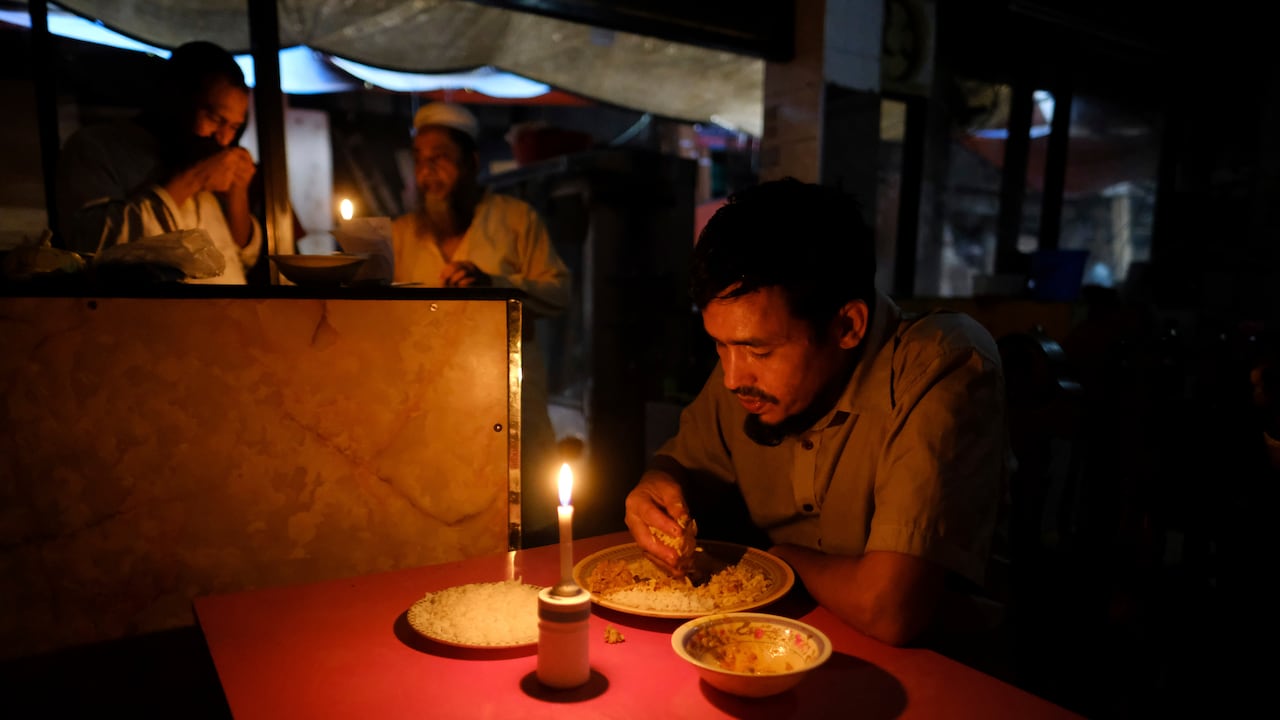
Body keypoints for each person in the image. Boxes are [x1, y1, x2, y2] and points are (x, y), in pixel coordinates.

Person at [625, 178, 1008, 647]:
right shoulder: (744, 374)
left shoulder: (940, 364)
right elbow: (681, 464)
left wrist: (781, 557)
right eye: (719, 345)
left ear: (847, 325)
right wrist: (656, 487)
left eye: (758, 351)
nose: (730, 376)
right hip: (780, 644)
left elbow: (889, 608)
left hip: (948, 670)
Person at [390, 101, 572, 547]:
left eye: (440, 158)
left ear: (472, 163)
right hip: (431, 416)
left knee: (525, 534)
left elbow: (560, 293)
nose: (427, 171)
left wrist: (496, 285)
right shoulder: (399, 234)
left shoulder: (515, 220)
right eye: (418, 160)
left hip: (511, 410)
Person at [56, 41, 262, 283]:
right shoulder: (96, 146)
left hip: (232, 316)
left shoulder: (202, 153)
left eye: (234, 127)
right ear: (175, 97)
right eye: (215, 118)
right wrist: (194, 179)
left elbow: (244, 257)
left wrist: (239, 192)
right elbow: (91, 243)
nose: (225, 139)